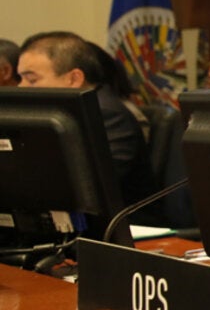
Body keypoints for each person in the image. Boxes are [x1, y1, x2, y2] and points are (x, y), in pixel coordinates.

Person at [17, 31, 156, 206]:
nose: (21, 87)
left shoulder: (107, 113)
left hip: (126, 227)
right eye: (20, 78)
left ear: (74, 78)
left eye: (31, 80)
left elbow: (91, 184)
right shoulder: (57, 113)